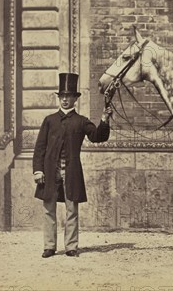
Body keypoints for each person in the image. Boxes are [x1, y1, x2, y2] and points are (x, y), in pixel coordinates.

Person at [33, 73, 111, 258]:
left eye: (69, 96)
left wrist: (105, 120)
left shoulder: (81, 121)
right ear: (59, 98)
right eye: (62, 96)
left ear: (75, 99)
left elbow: (98, 137)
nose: (65, 99)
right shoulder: (49, 120)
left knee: (71, 210)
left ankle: (71, 246)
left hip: (72, 172)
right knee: (48, 209)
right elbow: (40, 148)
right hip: (50, 173)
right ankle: (49, 246)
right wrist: (38, 170)